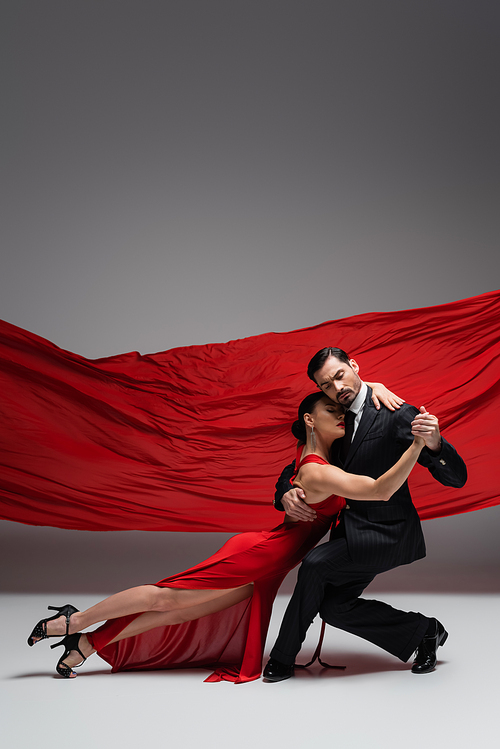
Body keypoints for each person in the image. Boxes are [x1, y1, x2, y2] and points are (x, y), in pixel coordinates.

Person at [27, 387, 426, 684]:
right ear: (309, 419)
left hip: (274, 560)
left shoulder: (309, 459)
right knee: (166, 596)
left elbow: (351, 393)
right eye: (330, 410)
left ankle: (87, 646)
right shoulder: (319, 470)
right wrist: (417, 444)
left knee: (183, 610)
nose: (341, 414)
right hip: (262, 553)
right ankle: (73, 620)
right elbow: (378, 490)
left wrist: (378, 388)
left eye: (341, 409)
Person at [263, 347, 467, 682]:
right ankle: (424, 632)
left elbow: (457, 479)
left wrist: (434, 443)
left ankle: (282, 658)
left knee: (315, 564)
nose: (337, 387)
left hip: (388, 532)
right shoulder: (335, 417)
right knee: (334, 607)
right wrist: (285, 490)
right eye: (326, 385)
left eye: (340, 375)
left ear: (354, 365)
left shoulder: (396, 414)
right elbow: (304, 460)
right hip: (350, 534)